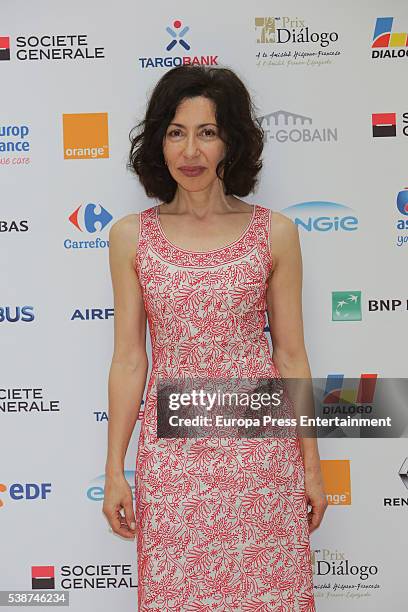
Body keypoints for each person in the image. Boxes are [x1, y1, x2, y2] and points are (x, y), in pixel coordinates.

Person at [103, 65, 327, 611]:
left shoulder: (275, 233)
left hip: (261, 458)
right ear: (160, 141)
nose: (191, 150)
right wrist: (115, 469)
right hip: (175, 459)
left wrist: (312, 466)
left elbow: (291, 354)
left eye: (207, 131)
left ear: (231, 139)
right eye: (177, 131)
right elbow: (130, 360)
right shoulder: (131, 236)